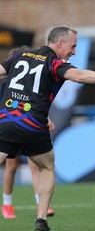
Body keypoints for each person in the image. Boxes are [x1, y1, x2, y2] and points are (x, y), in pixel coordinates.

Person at [0, 25, 95, 231]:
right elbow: (80, 76)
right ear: (60, 43)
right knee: (46, 168)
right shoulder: (54, 63)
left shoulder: (18, 56)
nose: (74, 52)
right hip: (34, 126)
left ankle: (18, 209)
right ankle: (41, 220)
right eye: (72, 47)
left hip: (7, 123)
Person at [1, 47, 55, 219]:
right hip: (9, 127)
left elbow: (35, 104)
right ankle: (7, 204)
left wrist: (47, 118)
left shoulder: (29, 84)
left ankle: (41, 203)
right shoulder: (5, 85)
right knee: (11, 166)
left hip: (25, 126)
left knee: (36, 166)